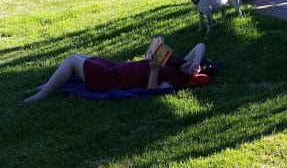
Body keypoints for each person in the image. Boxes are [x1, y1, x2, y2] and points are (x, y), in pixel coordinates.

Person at [23, 41, 208, 102]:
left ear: (188, 77)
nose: (188, 64)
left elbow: (152, 92)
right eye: (190, 64)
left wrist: (153, 70)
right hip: (116, 67)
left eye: (190, 69)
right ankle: (47, 85)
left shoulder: (175, 78)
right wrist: (196, 62)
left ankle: (40, 95)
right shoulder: (180, 63)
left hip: (114, 78)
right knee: (80, 55)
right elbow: (201, 45)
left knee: (72, 60)